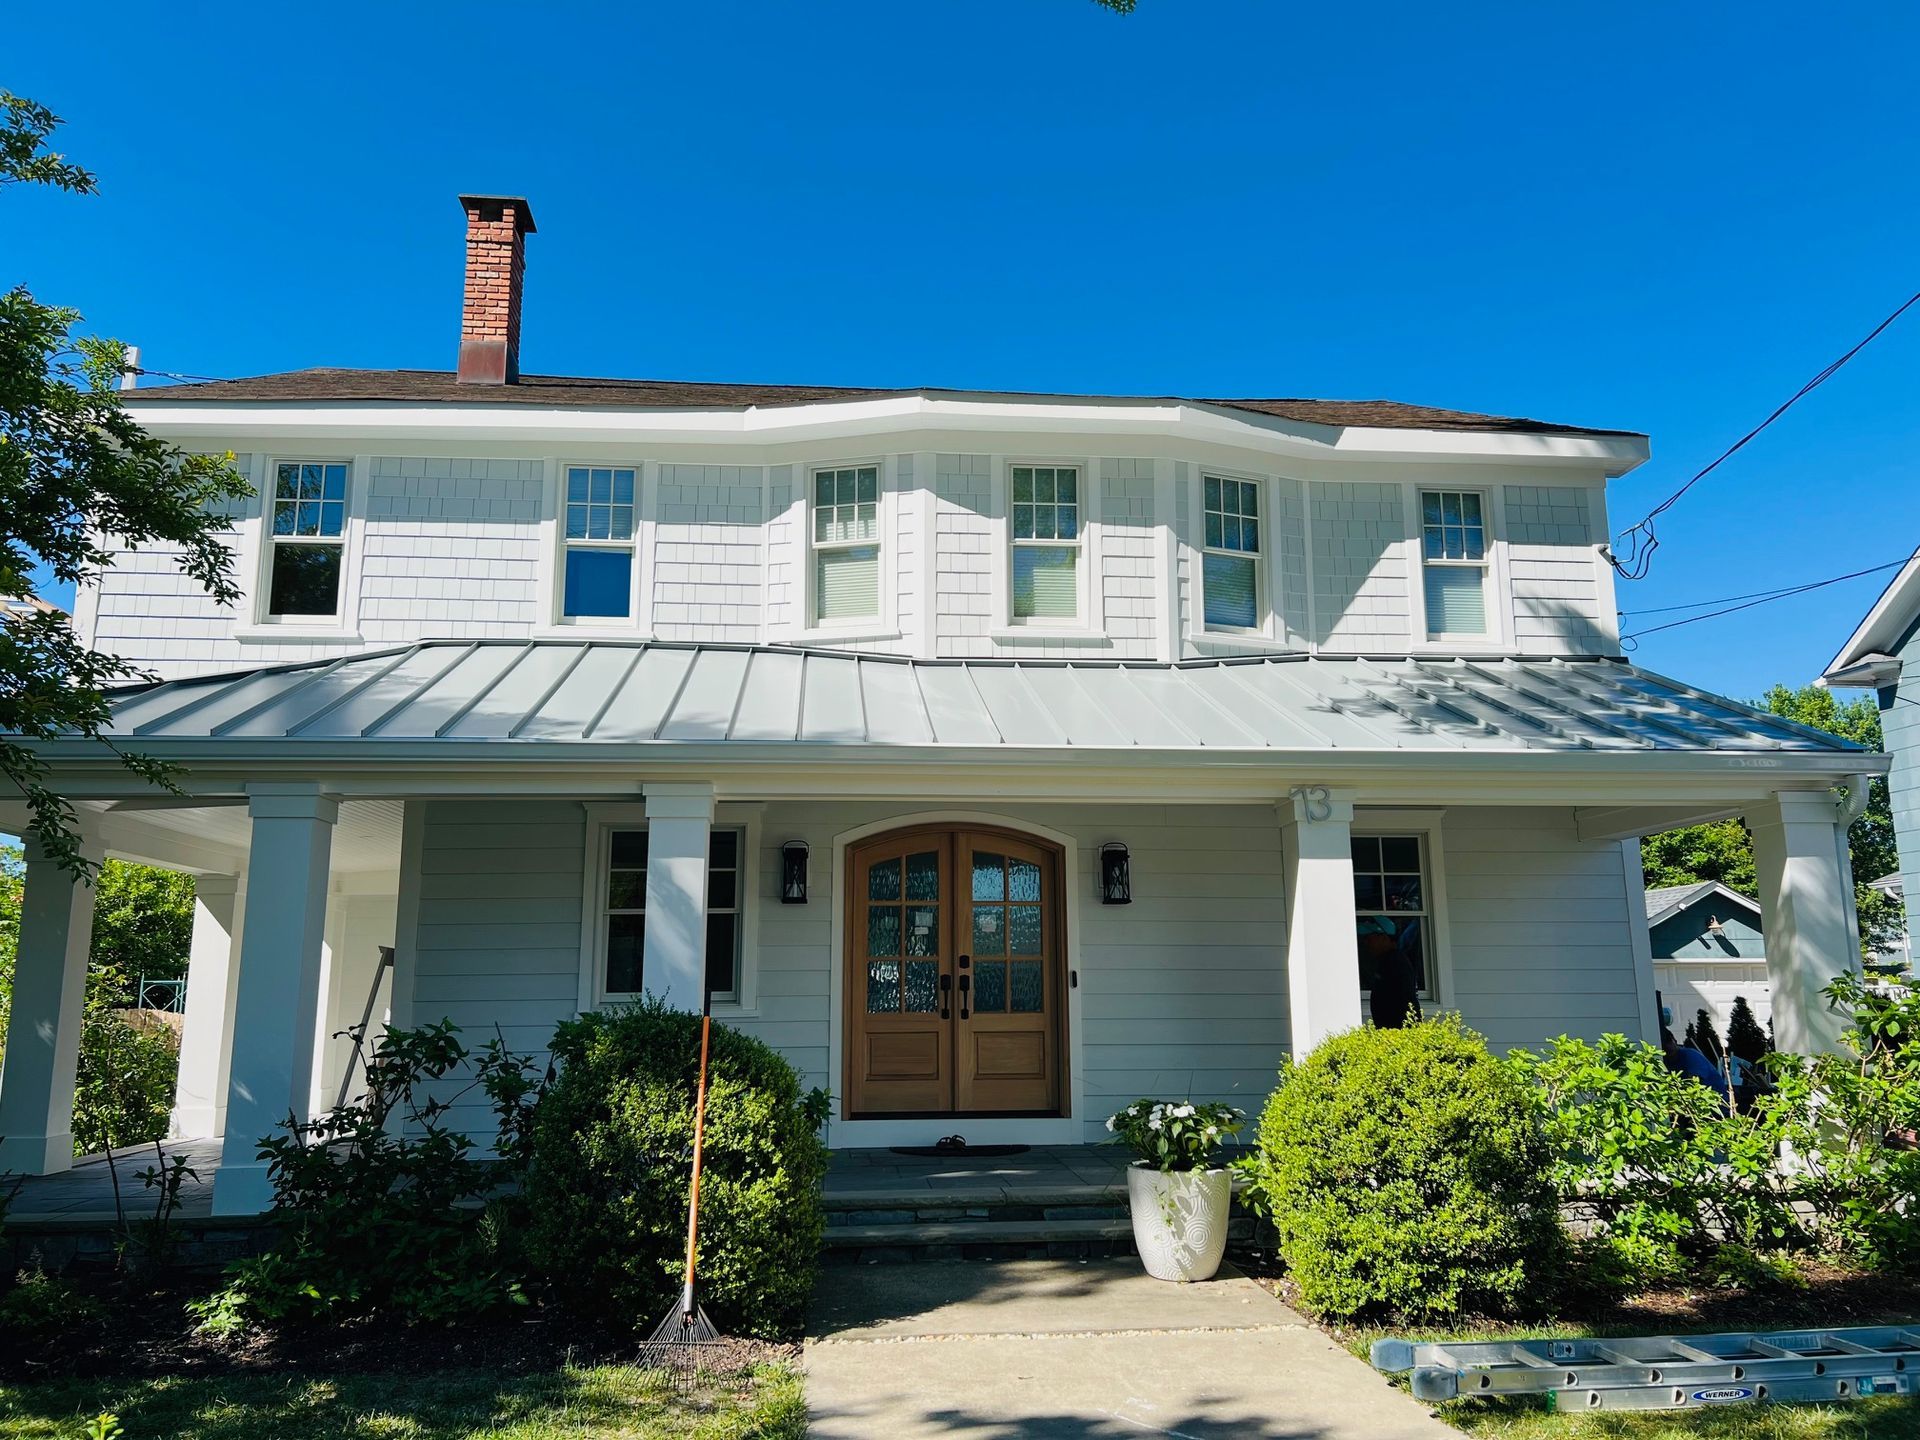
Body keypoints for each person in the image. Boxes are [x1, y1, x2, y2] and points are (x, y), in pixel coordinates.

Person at [1359, 917, 1422, 1028]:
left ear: (1384, 938)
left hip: (1399, 1034)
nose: (1366, 942)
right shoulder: (1386, 961)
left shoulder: (1396, 962)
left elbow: (1404, 1001)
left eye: (1369, 938)